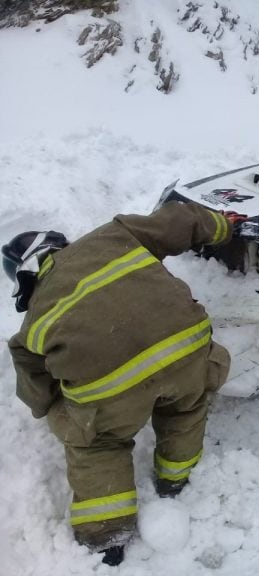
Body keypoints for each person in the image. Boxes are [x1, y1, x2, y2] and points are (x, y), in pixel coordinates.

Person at [2, 201, 241, 566]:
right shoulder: (115, 234)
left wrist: (58, 410)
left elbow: (36, 392)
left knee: (97, 442)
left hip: (113, 388)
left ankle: (106, 536)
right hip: (185, 348)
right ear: (59, 245)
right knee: (186, 408)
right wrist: (222, 226)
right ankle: (174, 479)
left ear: (25, 280)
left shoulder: (32, 325)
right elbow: (179, 220)